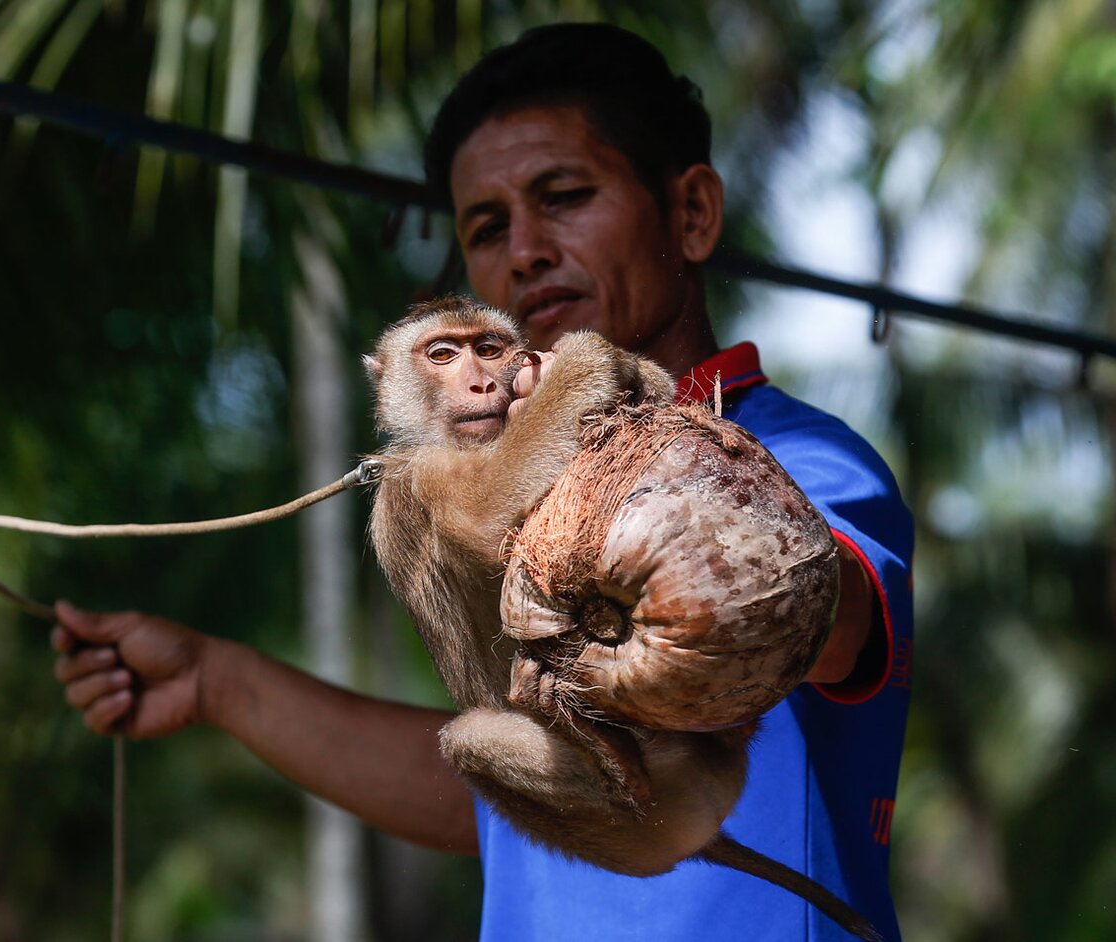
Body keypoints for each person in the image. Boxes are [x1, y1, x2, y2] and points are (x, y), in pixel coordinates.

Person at [52, 23, 913, 941]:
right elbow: (502, 801)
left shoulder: (805, 461)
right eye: (486, 226)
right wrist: (218, 682)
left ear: (692, 213)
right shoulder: (504, 487)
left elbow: (810, 608)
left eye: (566, 196)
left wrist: (592, 422)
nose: (525, 250)